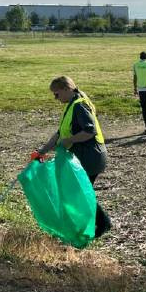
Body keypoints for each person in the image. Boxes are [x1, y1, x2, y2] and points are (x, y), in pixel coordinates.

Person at [38, 76, 110, 237]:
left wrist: (69, 141)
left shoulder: (79, 106)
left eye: (56, 94)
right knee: (79, 192)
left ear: (66, 89)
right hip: (86, 157)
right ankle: (92, 225)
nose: (55, 98)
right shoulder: (71, 104)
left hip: (91, 157)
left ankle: (102, 224)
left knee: (79, 193)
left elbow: (89, 131)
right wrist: (42, 150)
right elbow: (59, 133)